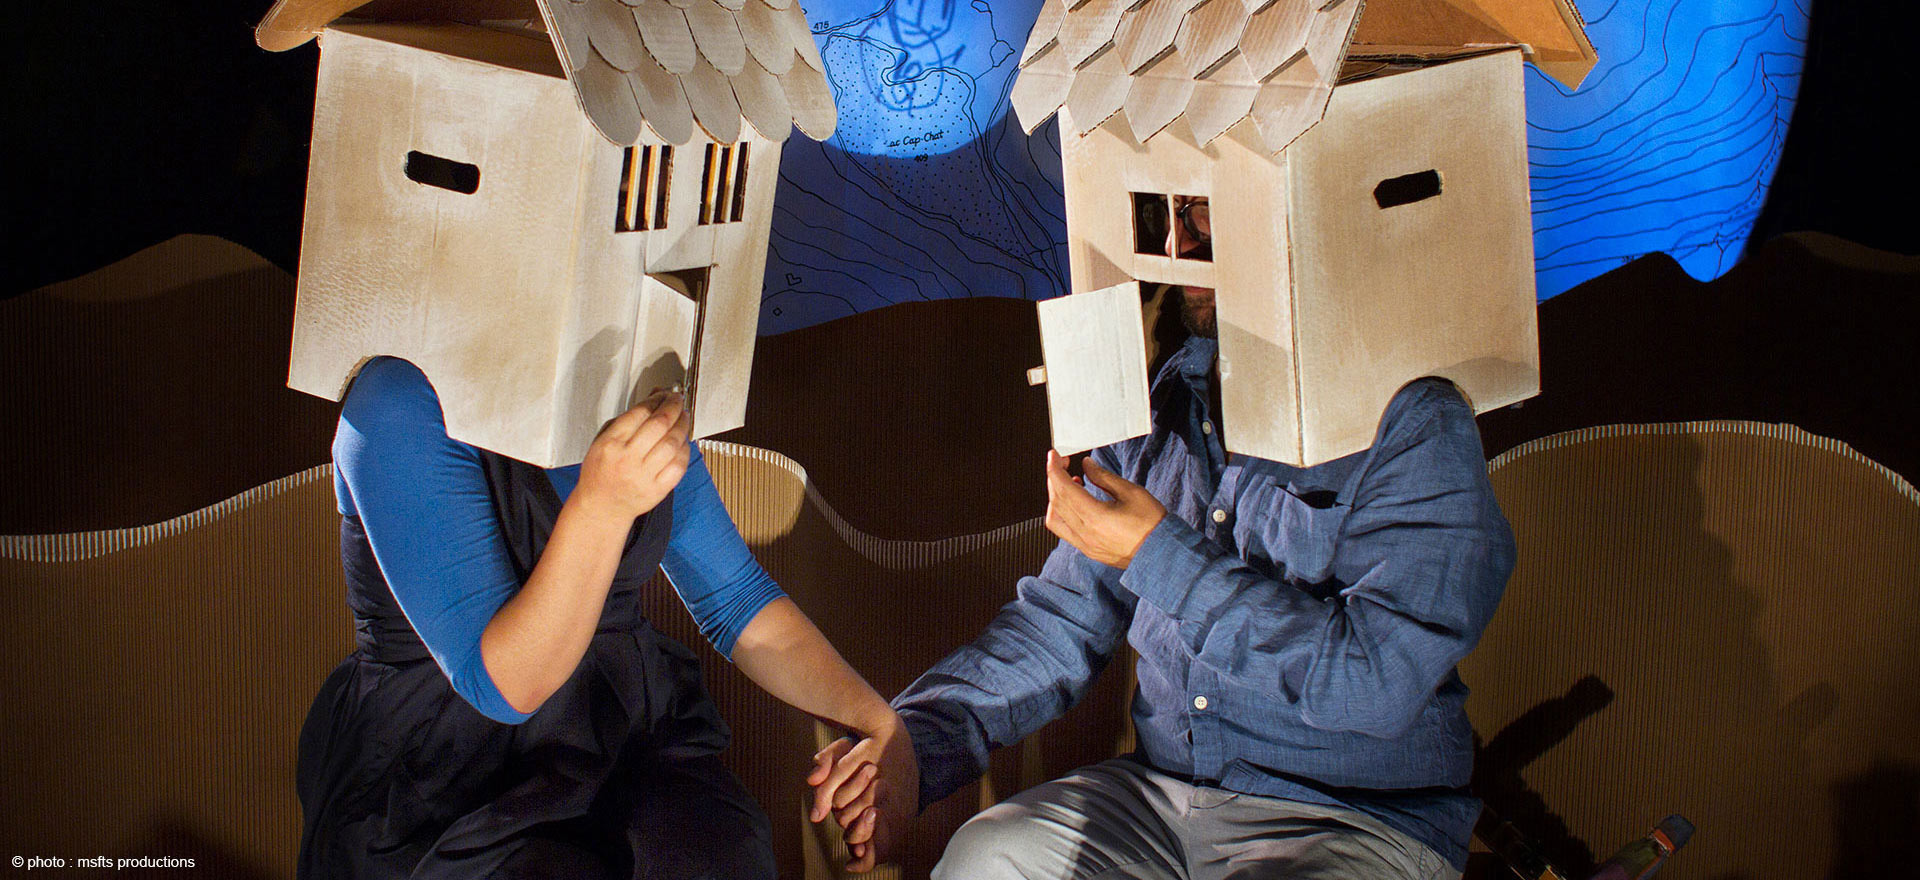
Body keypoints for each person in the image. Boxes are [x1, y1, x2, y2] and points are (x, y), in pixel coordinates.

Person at [810, 195, 1515, 879]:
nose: (1179, 247)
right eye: (1172, 214)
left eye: (1208, 210)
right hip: (1164, 800)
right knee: (989, 859)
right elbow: (1060, 624)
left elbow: (1379, 685)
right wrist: (917, 743)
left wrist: (1160, 556)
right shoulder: (1164, 403)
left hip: (1352, 819)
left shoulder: (1413, 419)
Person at [297, 356, 914, 879]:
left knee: (721, 854)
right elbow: (507, 687)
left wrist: (878, 721)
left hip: (622, 734)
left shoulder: (621, 372)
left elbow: (736, 599)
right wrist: (602, 505)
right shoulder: (395, 402)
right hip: (450, 772)